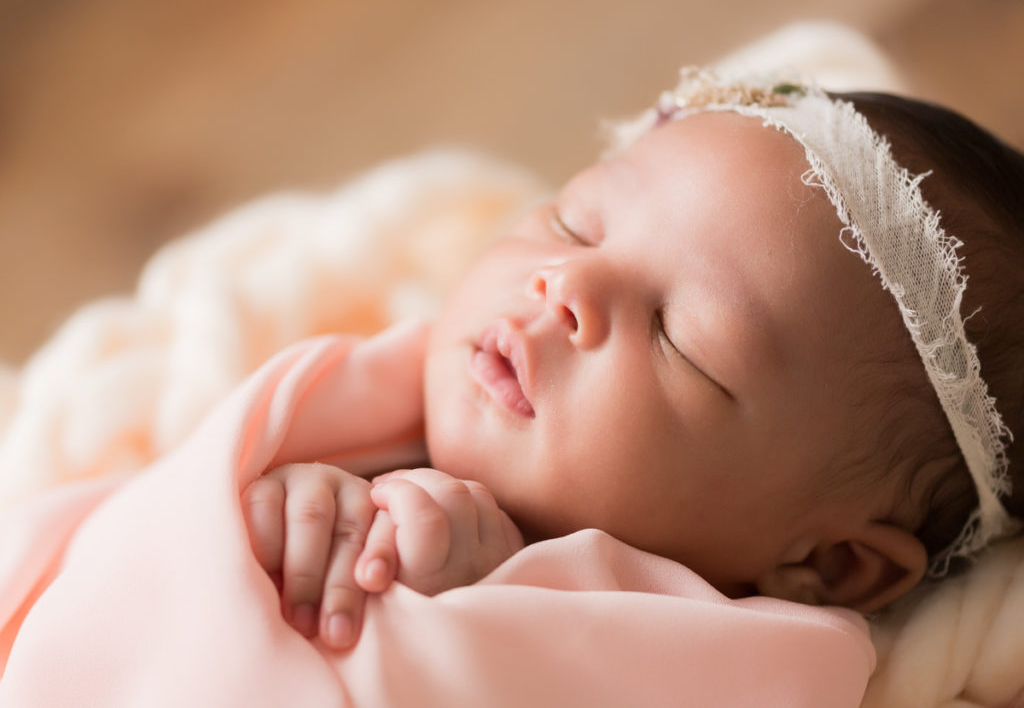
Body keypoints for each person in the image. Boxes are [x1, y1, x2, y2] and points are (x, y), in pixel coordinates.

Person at [242, 70, 1024, 652]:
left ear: (833, 565)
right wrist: (276, 508)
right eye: (574, 223)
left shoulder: (736, 664)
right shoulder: (342, 396)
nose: (566, 283)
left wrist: (489, 619)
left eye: (680, 338)